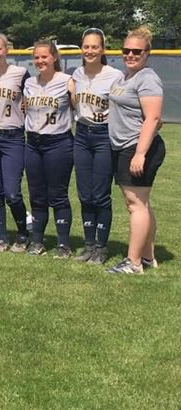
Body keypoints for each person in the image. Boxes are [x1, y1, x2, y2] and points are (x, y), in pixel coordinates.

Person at [107, 26, 164, 274]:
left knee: (136, 205)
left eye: (136, 51)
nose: (130, 55)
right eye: (126, 50)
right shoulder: (125, 77)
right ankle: (148, 257)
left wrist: (140, 154)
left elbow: (152, 118)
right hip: (123, 146)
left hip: (137, 147)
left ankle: (134, 262)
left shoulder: (147, 78)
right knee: (140, 203)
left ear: (147, 53)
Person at [70, 28, 123, 264]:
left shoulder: (114, 75)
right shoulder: (77, 74)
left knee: (100, 194)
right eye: (86, 46)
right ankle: (89, 245)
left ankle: (101, 248)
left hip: (104, 135)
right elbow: (75, 104)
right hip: (82, 134)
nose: (90, 51)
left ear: (103, 49)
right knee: (84, 194)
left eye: (94, 47)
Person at [22, 41, 75, 258]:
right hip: (33, 143)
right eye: (36, 57)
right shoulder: (29, 83)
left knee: (58, 194)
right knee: (36, 194)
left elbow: (79, 107)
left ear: (54, 57)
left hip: (58, 141)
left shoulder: (67, 81)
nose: (40, 61)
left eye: (44, 56)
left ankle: (63, 244)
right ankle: (37, 241)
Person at [0, 33, 30, 253]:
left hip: (13, 137)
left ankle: (23, 232)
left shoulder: (20, 73)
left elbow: (32, 97)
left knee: (12, 192)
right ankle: (1, 237)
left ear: (6, 50)